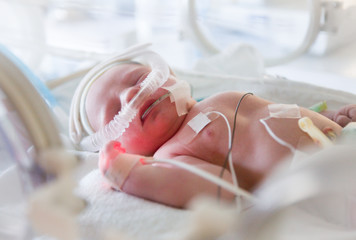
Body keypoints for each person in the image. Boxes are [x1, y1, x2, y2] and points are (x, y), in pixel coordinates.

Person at [84, 61, 356, 208]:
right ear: (120, 145)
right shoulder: (173, 153)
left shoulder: (219, 97)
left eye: (136, 79)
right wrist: (130, 176)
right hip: (325, 185)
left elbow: (279, 113)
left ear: (170, 74)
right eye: (115, 110)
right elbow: (218, 188)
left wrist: (331, 117)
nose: (131, 94)